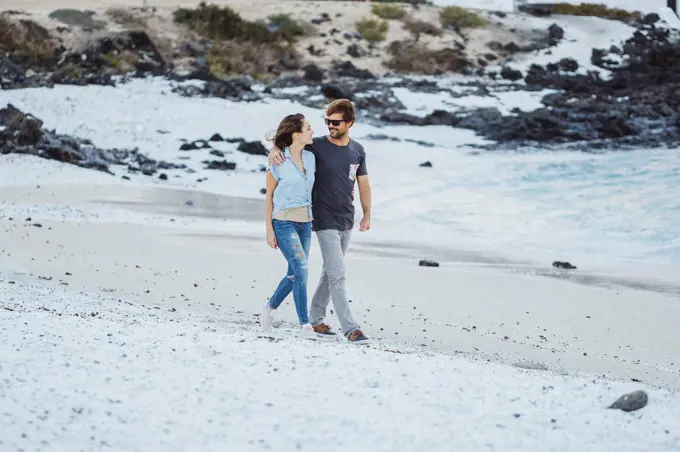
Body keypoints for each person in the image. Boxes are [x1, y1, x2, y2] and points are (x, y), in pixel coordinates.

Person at [268, 99, 372, 344]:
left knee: (330, 272)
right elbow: (289, 143)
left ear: (350, 123)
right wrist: (274, 149)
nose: (330, 126)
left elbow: (363, 183)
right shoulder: (317, 147)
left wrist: (367, 213)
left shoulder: (357, 150)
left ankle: (315, 317)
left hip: (346, 217)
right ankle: (351, 328)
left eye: (335, 122)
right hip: (323, 219)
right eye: (327, 121)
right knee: (338, 274)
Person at [262, 113, 318, 340]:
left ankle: (269, 308)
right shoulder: (278, 161)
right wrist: (269, 230)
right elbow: (269, 197)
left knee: (295, 273)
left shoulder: (312, 157)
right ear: (297, 134)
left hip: (306, 222)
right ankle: (305, 325)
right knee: (302, 269)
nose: (312, 131)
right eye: (308, 128)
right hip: (283, 222)